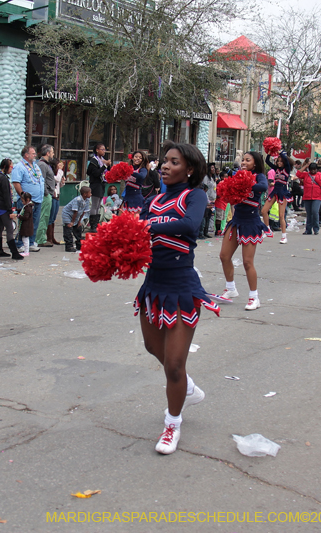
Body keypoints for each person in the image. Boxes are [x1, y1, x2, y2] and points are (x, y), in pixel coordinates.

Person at [135, 140, 220, 455]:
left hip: (182, 287)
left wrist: (149, 225)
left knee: (173, 364)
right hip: (153, 285)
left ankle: (173, 424)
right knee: (152, 348)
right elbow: (137, 233)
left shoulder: (194, 196)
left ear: (190, 169)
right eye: (164, 161)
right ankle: (188, 387)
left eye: (174, 161)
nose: (166, 166)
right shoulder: (153, 199)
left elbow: (189, 225)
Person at [218, 151, 269, 310]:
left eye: (248, 160)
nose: (244, 162)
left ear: (255, 163)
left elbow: (263, 187)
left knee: (247, 262)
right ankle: (231, 288)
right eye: (243, 160)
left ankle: (254, 297)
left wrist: (245, 183)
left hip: (250, 224)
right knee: (224, 256)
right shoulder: (237, 175)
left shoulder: (259, 176)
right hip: (235, 222)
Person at [11, 146, 44, 251]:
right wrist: (22, 196)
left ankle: (30, 243)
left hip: (37, 199)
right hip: (26, 200)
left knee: (34, 222)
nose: (35, 155)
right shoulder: (19, 167)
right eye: (33, 153)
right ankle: (20, 243)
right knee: (24, 223)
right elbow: (16, 182)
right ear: (26, 155)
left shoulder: (35, 166)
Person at [0, 158, 22, 260]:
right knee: (9, 228)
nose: (12, 169)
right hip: (4, 207)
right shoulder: (4, 179)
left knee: (0, 228)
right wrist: (10, 210)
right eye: (11, 167)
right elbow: (6, 196)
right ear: (5, 167)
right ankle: (14, 252)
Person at [262, 151, 293, 243]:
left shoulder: (287, 169)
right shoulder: (276, 169)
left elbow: (287, 161)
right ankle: (267, 230)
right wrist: (270, 152)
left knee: (281, 216)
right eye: (278, 161)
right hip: (275, 191)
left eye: (281, 161)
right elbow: (267, 161)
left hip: (282, 192)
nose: (279, 163)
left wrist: (281, 153)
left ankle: (284, 236)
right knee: (264, 211)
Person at [296, 161, 321, 235]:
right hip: (307, 197)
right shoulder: (306, 175)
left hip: (317, 197)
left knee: (315, 212)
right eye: (312, 169)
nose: (313, 171)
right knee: (309, 214)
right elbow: (298, 174)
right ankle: (308, 229)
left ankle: (316, 228)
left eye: (314, 169)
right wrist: (306, 166)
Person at [35, 144, 56, 247]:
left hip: (49, 194)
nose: (53, 154)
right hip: (45, 195)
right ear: (47, 153)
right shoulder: (42, 165)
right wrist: (46, 193)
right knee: (43, 216)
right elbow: (41, 180)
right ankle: (40, 239)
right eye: (52, 152)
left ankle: (40, 238)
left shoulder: (46, 164)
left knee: (46, 216)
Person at [86, 143, 110, 232]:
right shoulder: (94, 160)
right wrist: (105, 166)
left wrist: (108, 165)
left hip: (102, 184)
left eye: (104, 149)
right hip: (95, 184)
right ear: (97, 150)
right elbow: (95, 173)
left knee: (99, 205)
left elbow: (107, 170)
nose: (104, 151)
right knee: (95, 205)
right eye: (102, 149)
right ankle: (93, 225)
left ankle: (96, 223)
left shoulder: (102, 159)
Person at [61, 186, 91, 252]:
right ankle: (69, 246)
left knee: (78, 228)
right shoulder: (77, 200)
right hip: (68, 214)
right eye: (90, 193)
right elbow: (75, 211)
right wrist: (72, 222)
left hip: (76, 216)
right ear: (85, 194)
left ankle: (79, 245)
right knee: (68, 229)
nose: (91, 194)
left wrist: (79, 221)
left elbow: (84, 211)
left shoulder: (87, 200)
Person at [47, 159, 65, 245]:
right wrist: (61, 171)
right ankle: (49, 238)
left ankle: (52, 237)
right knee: (50, 218)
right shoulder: (52, 174)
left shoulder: (58, 173)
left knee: (54, 218)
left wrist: (62, 182)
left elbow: (59, 184)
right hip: (53, 196)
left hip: (57, 196)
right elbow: (57, 179)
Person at [198, 171, 216, 239]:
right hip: (203, 210)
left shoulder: (205, 194)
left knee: (207, 221)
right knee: (202, 223)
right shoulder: (200, 194)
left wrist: (209, 206)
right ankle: (201, 234)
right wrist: (208, 206)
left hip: (207, 209)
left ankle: (205, 233)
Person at [17, 192, 34, 257]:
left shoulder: (28, 207)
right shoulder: (27, 206)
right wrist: (17, 210)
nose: (22, 202)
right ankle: (26, 251)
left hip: (26, 226)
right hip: (26, 226)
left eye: (23, 201)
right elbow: (22, 210)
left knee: (25, 239)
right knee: (25, 239)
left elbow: (25, 217)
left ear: (27, 200)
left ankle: (26, 251)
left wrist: (18, 216)